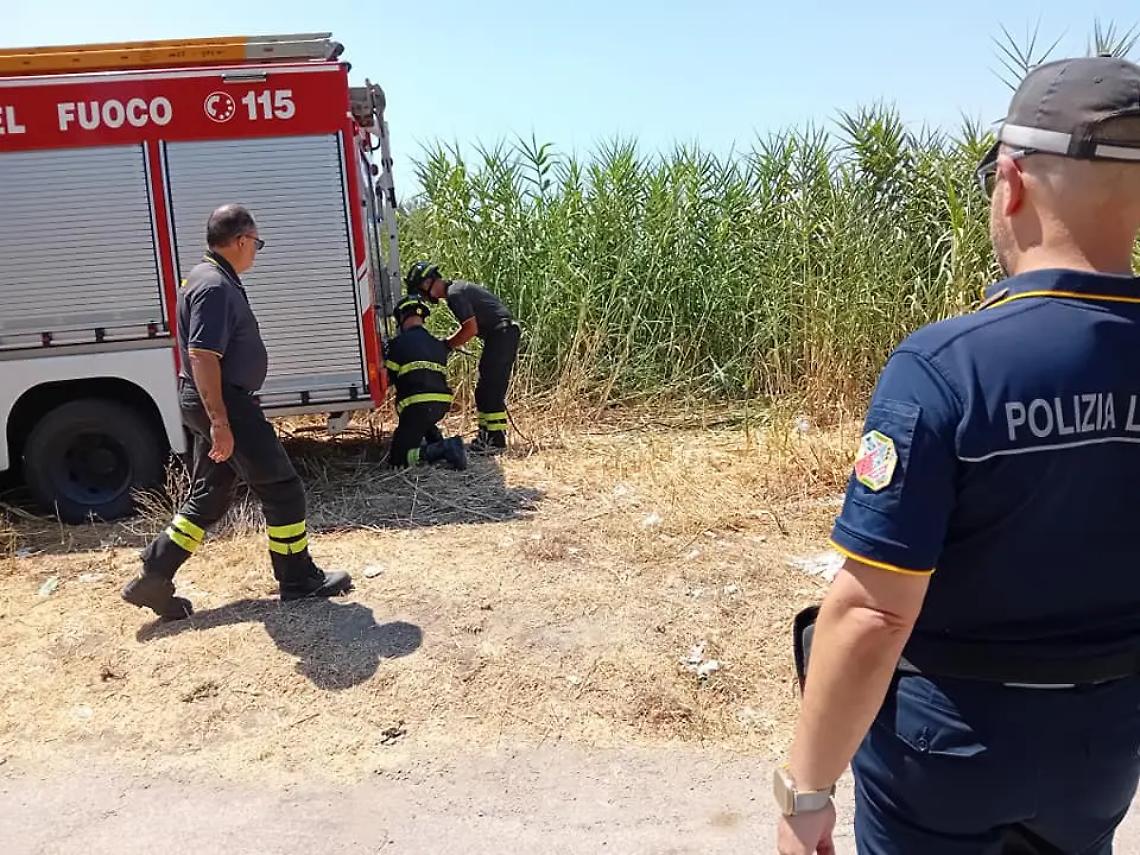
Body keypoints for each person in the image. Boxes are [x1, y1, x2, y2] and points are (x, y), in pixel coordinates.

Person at [776, 56, 1140, 855]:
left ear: (1009, 182)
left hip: (944, 755)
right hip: (1103, 746)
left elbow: (873, 609)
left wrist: (805, 792)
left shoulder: (947, 367)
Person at [121, 204, 351, 621]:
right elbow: (203, 355)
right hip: (225, 402)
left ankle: (155, 573)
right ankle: (298, 579)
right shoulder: (214, 286)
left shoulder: (207, 277)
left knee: (210, 495)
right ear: (242, 240)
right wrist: (221, 422)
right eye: (257, 243)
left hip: (212, 400)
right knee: (282, 489)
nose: (257, 252)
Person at [404, 261, 519, 451]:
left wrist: (446, 346)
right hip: (500, 335)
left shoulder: (455, 294)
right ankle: (488, 436)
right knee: (485, 389)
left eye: (421, 291)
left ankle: (495, 440)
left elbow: (470, 329)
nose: (423, 297)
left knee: (490, 389)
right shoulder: (456, 291)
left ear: (426, 284)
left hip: (502, 335)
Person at [384, 295, 467, 470]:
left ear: (402, 317)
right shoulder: (438, 344)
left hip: (417, 407)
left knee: (398, 459)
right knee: (420, 421)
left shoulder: (398, 343)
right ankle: (434, 439)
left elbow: (388, 378)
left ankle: (445, 448)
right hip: (440, 405)